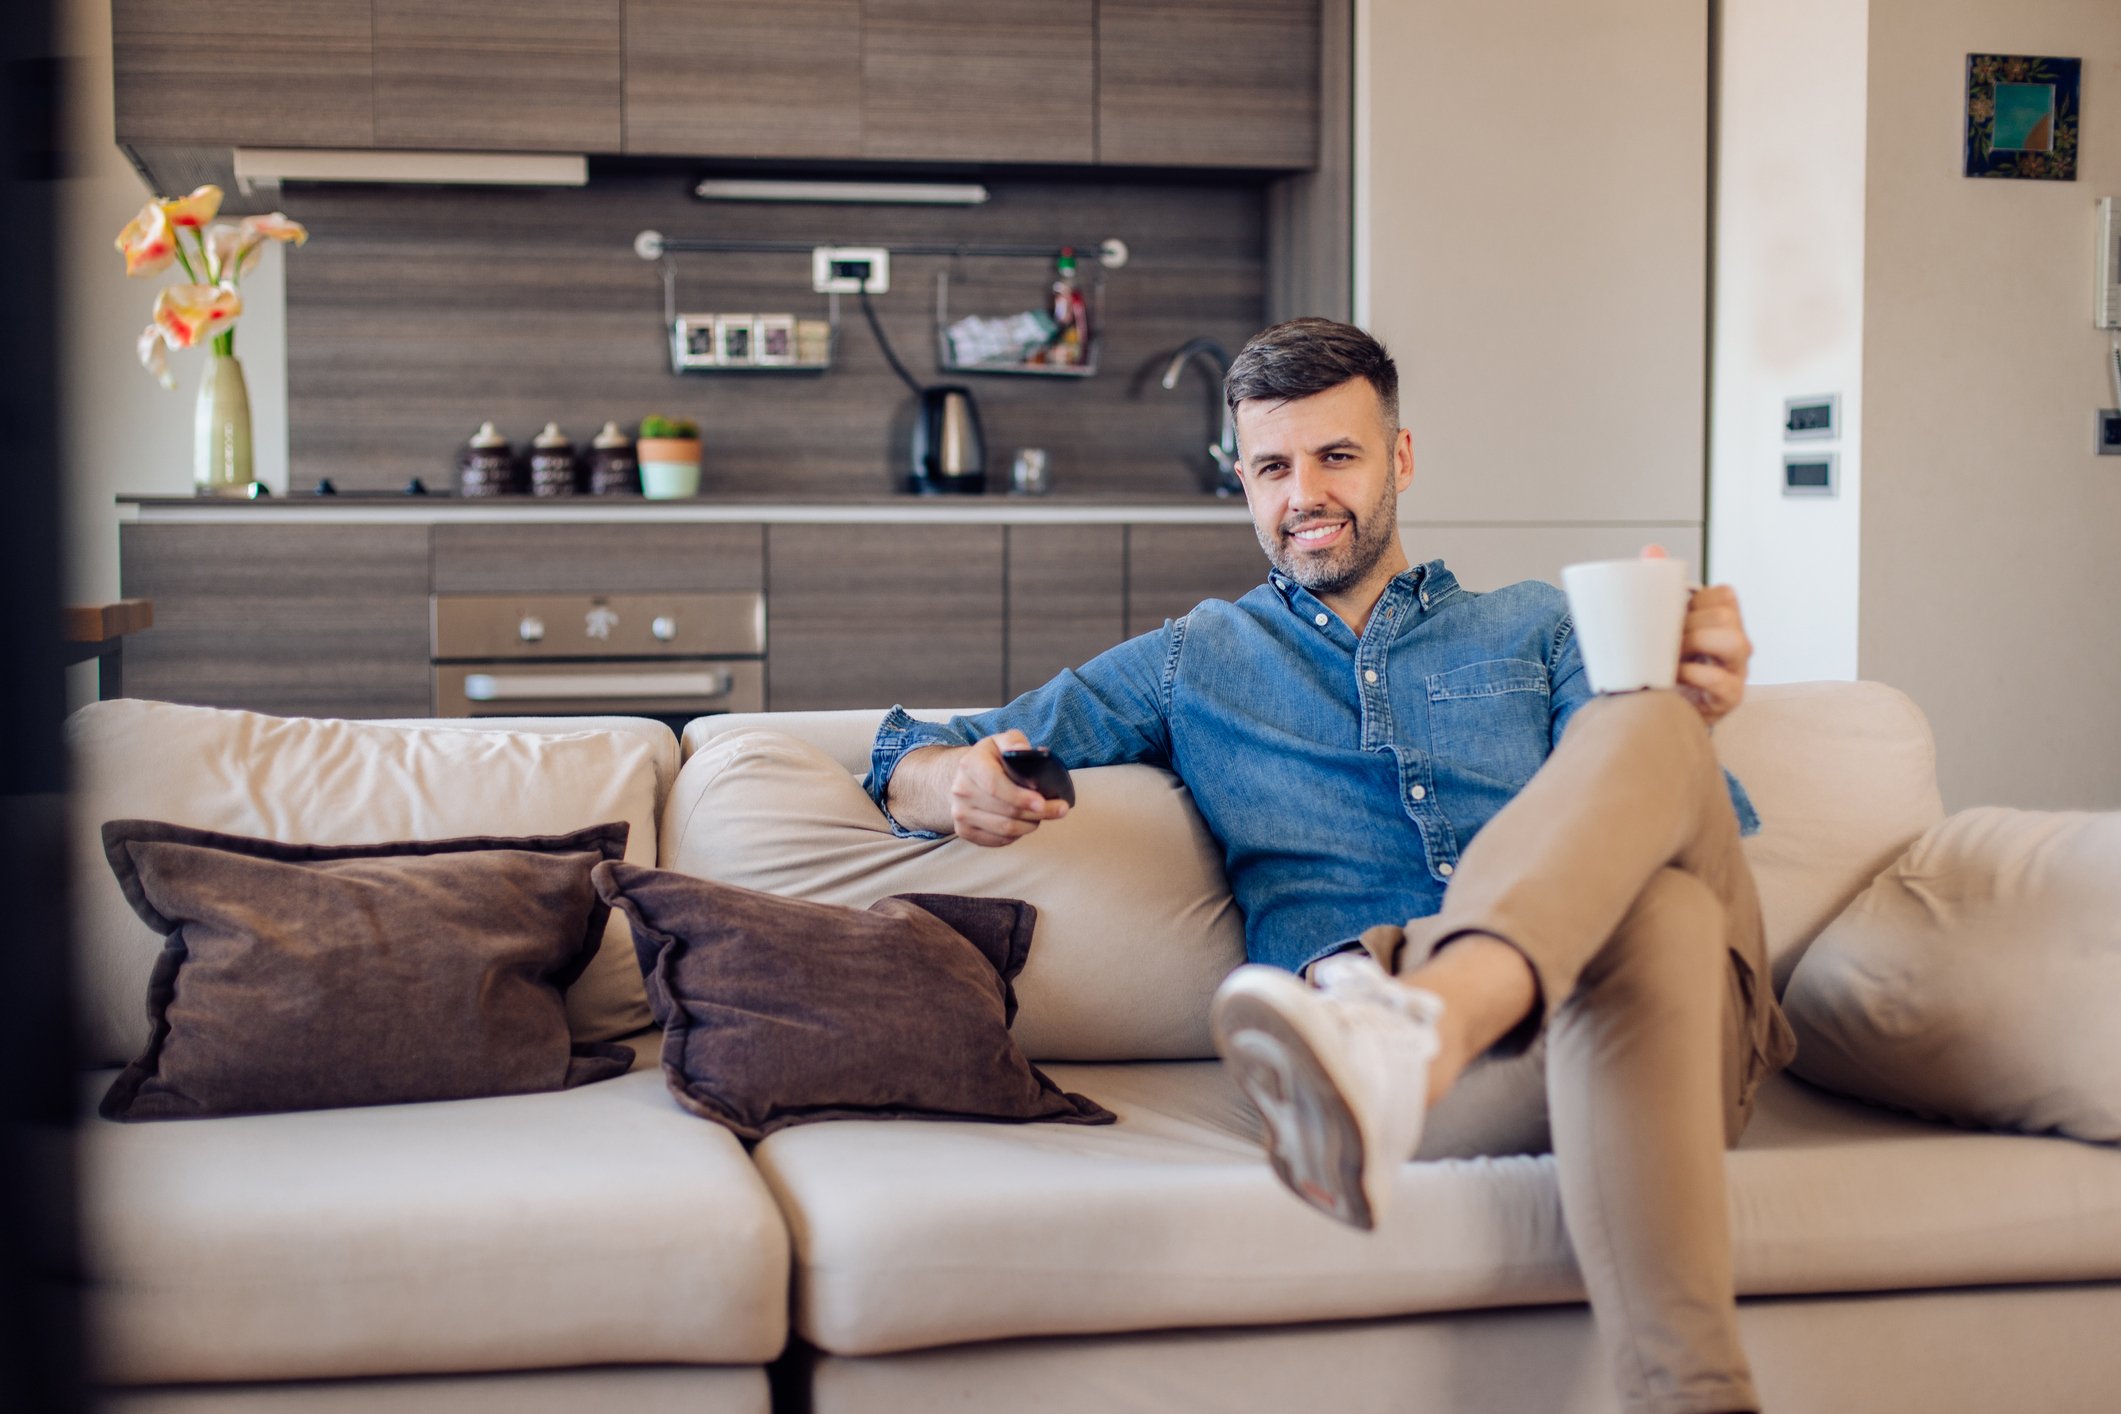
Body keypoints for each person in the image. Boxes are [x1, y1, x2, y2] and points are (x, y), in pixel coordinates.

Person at [864, 317, 1797, 1414]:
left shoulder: (1540, 626)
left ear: (1400, 458)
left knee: (1651, 736)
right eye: (1272, 467)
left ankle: (1417, 1030)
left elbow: (1677, 805)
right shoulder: (1194, 658)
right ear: (1244, 483)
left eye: (1337, 456)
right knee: (1666, 919)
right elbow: (910, 748)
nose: (1303, 493)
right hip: (1450, 1074)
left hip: (1651, 1030)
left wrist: (1685, 701)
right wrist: (947, 780)